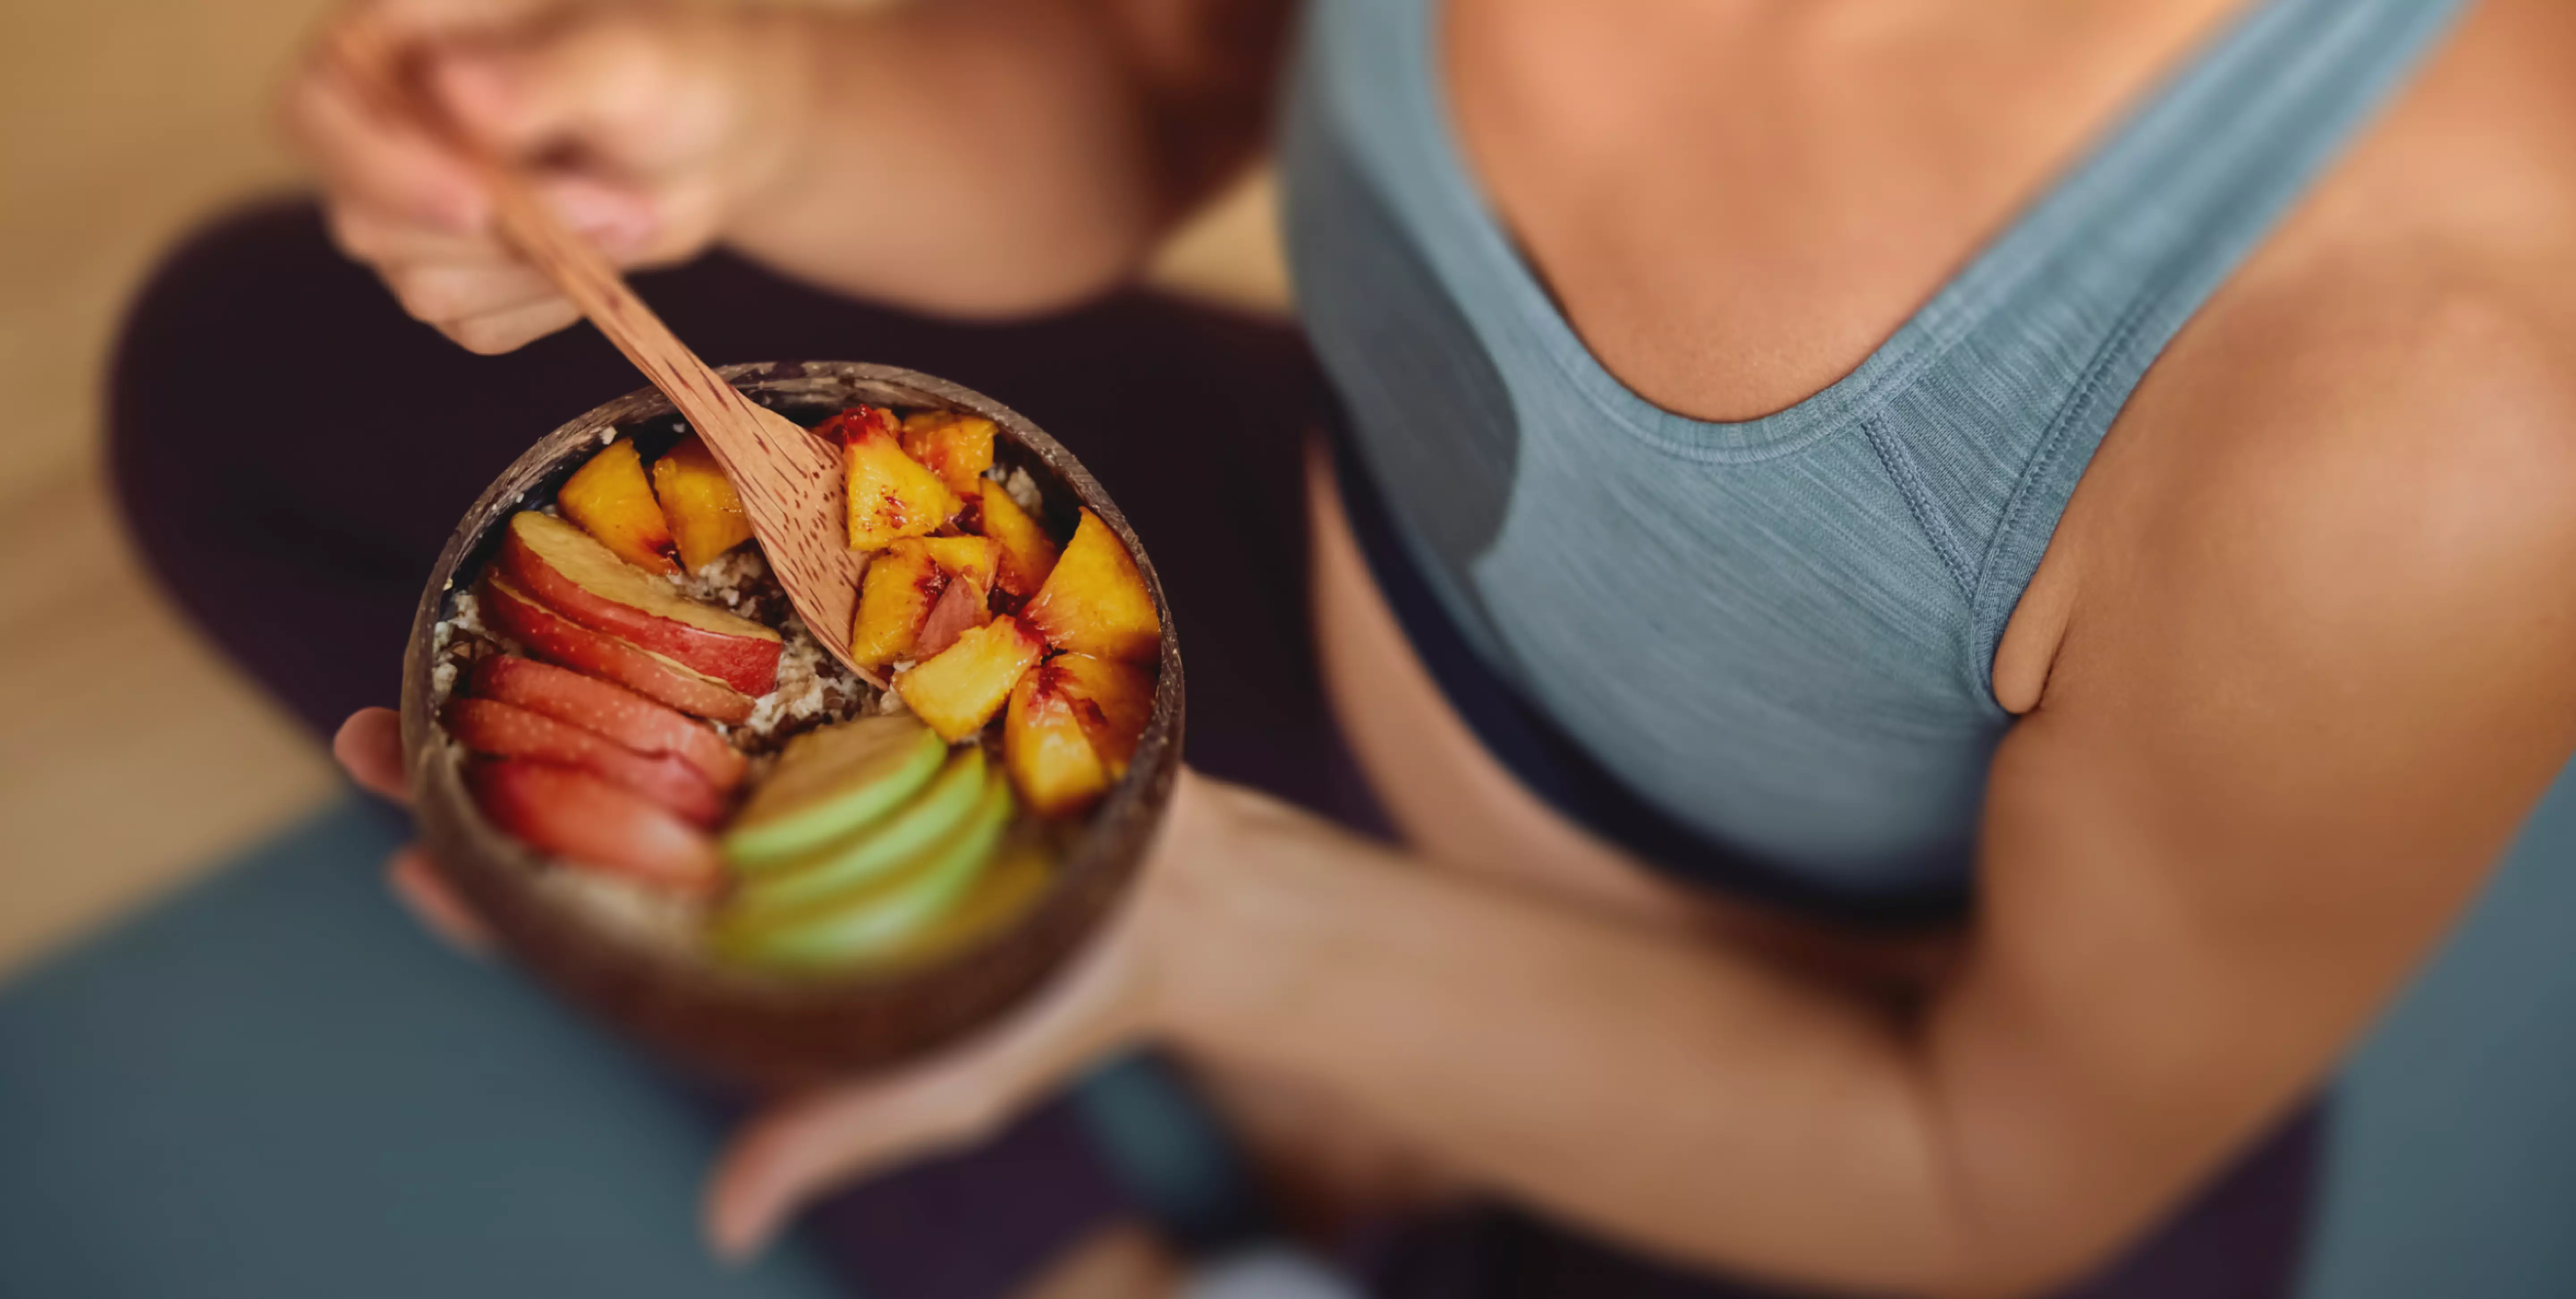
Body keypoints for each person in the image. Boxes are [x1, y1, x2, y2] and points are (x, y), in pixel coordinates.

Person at [109, 0, 2576, 1295]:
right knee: (244, 373)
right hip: (1322, 632)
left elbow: (1992, 1159)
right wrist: (749, 113)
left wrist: (1201, 931)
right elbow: (1153, 72)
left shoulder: (2449, 391)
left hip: (1862, 1143)